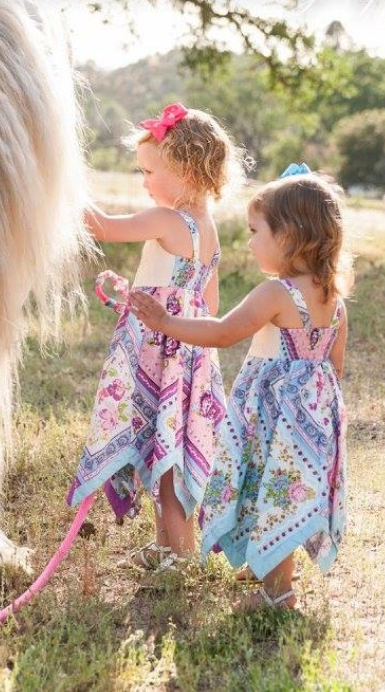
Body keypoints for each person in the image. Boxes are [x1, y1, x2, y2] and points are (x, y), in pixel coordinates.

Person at [130, 164, 349, 608]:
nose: (249, 243)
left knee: (268, 486)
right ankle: (269, 565)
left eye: (256, 232)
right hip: (311, 423)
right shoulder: (334, 299)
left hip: (272, 417)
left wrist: (166, 321)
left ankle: (277, 593)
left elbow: (224, 332)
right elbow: (335, 367)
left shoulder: (276, 294)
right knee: (284, 494)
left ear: (289, 237)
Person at [67, 103, 245, 571]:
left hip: (156, 356)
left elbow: (101, 226)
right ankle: (169, 548)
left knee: (163, 458)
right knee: (171, 451)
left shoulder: (167, 220)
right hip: (186, 361)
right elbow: (208, 302)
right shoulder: (210, 232)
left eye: (149, 171)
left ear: (185, 171)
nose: (144, 182)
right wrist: (153, 295)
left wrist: (60, 186)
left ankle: (180, 557)